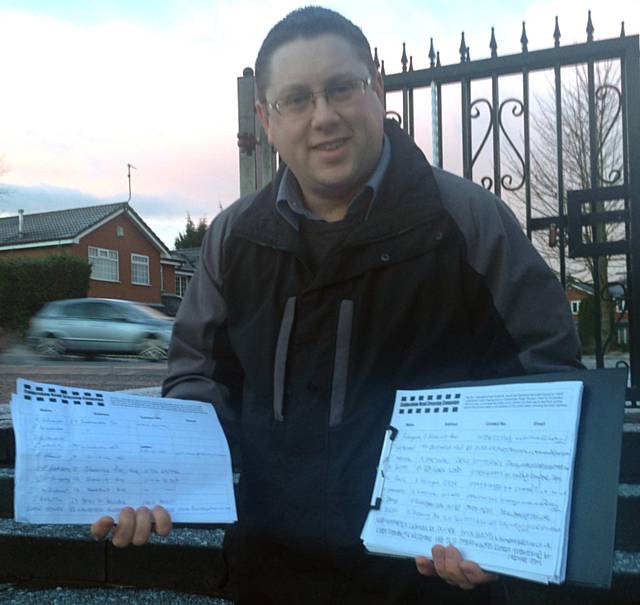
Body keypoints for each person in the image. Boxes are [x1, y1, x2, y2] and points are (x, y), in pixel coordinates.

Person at [91, 6, 583, 604]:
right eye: (296, 99)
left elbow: (546, 374)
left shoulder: (467, 222)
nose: (324, 117)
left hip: (427, 583)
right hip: (270, 576)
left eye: (342, 88)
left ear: (377, 89)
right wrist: (158, 477)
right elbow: (200, 377)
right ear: (266, 120)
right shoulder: (233, 238)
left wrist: (501, 527)